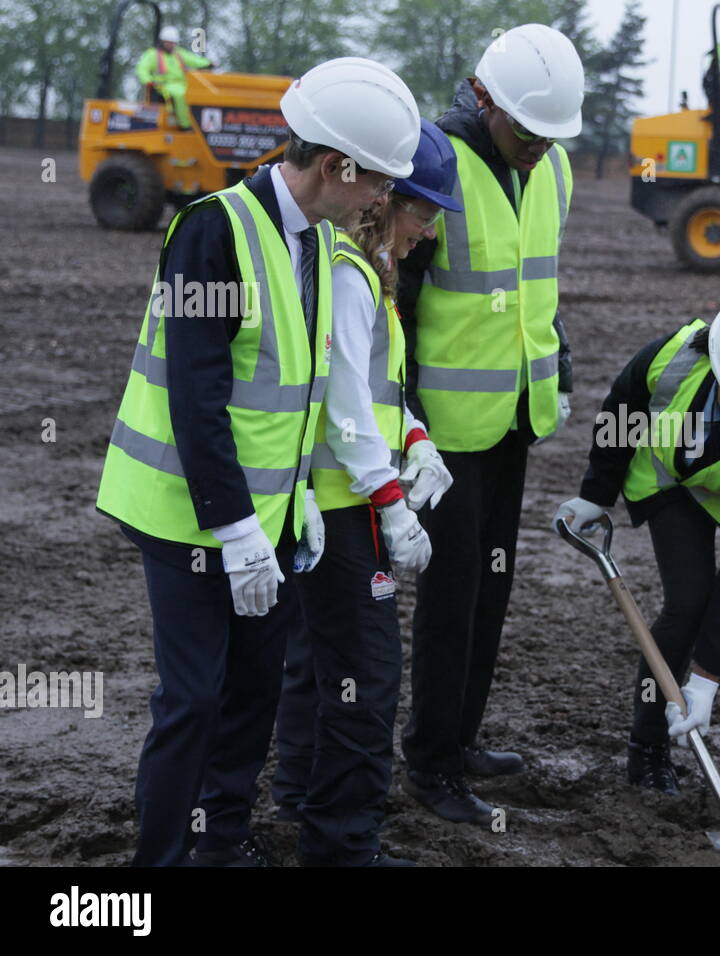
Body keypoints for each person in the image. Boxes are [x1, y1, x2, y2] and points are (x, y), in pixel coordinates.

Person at [96, 57, 421, 866]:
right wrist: (239, 531)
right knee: (193, 702)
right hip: (186, 515)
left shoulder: (311, 240)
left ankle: (220, 847)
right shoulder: (213, 230)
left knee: (252, 695)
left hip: (268, 518)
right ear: (334, 165)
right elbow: (194, 400)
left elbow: (298, 391)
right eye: (375, 181)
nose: (382, 199)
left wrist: (295, 502)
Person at [394, 24, 584, 825]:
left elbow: (537, 283)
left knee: (492, 588)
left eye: (551, 135)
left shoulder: (555, 168)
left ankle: (460, 737)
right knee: (452, 596)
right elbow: (395, 304)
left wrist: (560, 362)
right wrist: (402, 416)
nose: (539, 147)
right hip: (445, 434)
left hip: (515, 420)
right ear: (483, 99)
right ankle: (431, 763)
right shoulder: (436, 165)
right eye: (526, 131)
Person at [271, 120, 459, 867]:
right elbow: (343, 404)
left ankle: (298, 797)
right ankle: (341, 845)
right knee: (365, 679)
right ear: (387, 203)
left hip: (346, 500)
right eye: (425, 213)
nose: (431, 232)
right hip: (347, 508)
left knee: (321, 665)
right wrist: (389, 499)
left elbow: (375, 392)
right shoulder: (349, 275)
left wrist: (415, 438)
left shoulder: (360, 271)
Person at [553, 289, 720, 808]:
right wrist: (596, 494)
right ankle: (648, 747)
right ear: (717, 366)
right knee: (689, 602)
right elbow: (622, 408)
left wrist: (706, 678)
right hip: (672, 482)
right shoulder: (673, 358)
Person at [134, 25, 214, 130]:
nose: (171, 45)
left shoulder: (179, 54)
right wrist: (148, 81)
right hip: (163, 85)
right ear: (162, 42)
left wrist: (208, 63)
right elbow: (142, 69)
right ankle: (185, 125)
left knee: (199, 93)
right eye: (169, 42)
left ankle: (201, 123)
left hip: (182, 83)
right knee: (181, 95)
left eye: (173, 43)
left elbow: (194, 60)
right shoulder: (152, 54)